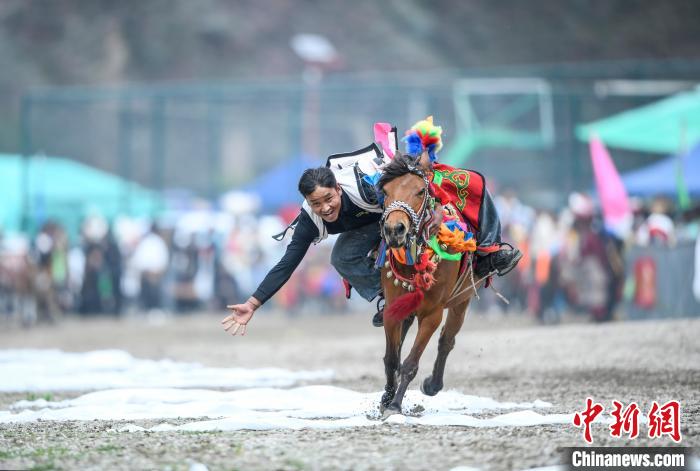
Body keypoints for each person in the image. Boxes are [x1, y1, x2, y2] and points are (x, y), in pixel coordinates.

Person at [222, 118, 521, 335]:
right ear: (307, 203)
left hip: (399, 208)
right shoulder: (309, 221)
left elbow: (408, 181)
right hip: (371, 227)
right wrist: (253, 302)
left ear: (338, 189)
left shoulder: (371, 183)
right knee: (339, 257)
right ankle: (388, 299)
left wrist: (432, 195)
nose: (325, 208)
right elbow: (288, 262)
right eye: (316, 204)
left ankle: (489, 252)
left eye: (328, 199)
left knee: (474, 182)